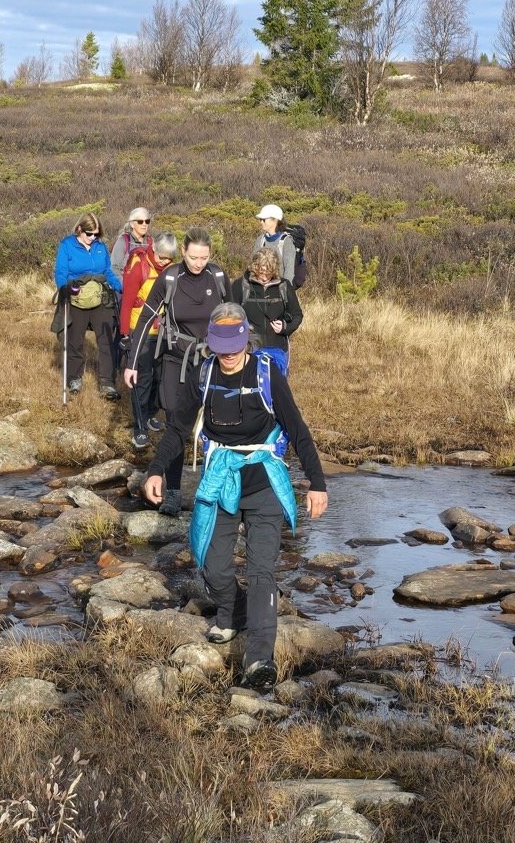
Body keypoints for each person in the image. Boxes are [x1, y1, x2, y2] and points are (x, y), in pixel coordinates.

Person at [142, 303, 328, 691]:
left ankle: (260, 656)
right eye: (220, 346)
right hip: (220, 483)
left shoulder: (267, 374)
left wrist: (317, 482)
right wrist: (157, 468)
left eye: (233, 345)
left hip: (263, 485)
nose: (227, 354)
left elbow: (297, 428)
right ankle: (233, 610)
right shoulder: (204, 373)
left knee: (261, 572)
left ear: (245, 339)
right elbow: (177, 428)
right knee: (212, 565)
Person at [123, 227, 228, 515]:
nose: (198, 263)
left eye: (204, 257)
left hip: (211, 361)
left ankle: (215, 490)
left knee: (216, 426)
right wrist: (132, 363)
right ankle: (172, 492)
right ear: (183, 252)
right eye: (194, 257)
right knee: (175, 426)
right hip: (175, 361)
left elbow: (233, 318)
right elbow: (145, 319)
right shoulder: (170, 278)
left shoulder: (217, 277)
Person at [54, 213, 122, 399]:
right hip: (77, 299)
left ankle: (107, 383)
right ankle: (74, 378)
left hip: (100, 298)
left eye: (96, 235)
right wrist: (64, 288)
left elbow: (107, 271)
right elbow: (61, 271)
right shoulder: (67, 245)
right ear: (79, 230)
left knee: (106, 341)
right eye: (89, 234)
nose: (93, 238)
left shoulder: (100, 247)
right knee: (75, 341)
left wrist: (120, 287)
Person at [120, 230, 178, 449]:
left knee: (159, 378)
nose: (164, 262)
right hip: (141, 330)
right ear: (154, 249)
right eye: (161, 257)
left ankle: (152, 414)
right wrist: (125, 334)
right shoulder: (139, 266)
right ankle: (140, 428)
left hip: (164, 333)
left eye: (169, 259)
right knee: (142, 381)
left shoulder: (172, 270)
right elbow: (127, 302)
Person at [231, 246, 302, 375]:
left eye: (268, 274)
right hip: (248, 350)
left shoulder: (284, 286)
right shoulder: (240, 286)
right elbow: (229, 316)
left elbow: (297, 314)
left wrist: (285, 327)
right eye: (261, 273)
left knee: (277, 391)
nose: (264, 278)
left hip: (278, 350)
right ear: (254, 268)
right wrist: (241, 329)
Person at [252, 203, 298, 285]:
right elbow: (253, 265)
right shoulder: (260, 240)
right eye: (260, 220)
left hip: (279, 289)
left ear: (275, 220)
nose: (261, 222)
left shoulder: (286, 242)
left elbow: (289, 271)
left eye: (264, 219)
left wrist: (286, 290)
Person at [111, 207, 154, 278]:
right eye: (140, 221)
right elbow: (114, 268)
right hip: (126, 285)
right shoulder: (123, 241)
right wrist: (125, 287)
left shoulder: (151, 242)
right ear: (132, 224)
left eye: (147, 221)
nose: (144, 224)